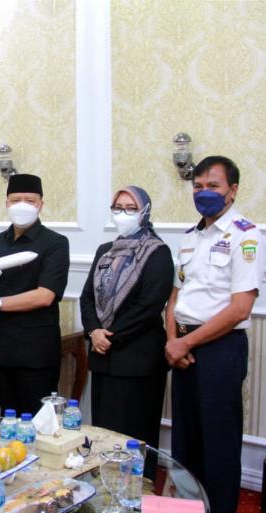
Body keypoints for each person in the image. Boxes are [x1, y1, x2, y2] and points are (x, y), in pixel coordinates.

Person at [165, 156, 266, 513]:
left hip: (220, 349)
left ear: (232, 190)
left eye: (213, 186)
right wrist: (172, 341)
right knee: (185, 440)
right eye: (198, 186)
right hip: (182, 348)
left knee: (218, 441)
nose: (204, 192)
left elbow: (240, 308)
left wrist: (185, 342)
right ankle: (186, 508)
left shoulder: (246, 235)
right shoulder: (189, 237)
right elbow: (175, 298)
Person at [79, 186, 173, 464]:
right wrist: (94, 331)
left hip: (137, 359)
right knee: (105, 434)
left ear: (145, 212)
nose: (123, 213)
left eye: (131, 208)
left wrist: (109, 336)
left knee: (135, 437)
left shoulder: (158, 252)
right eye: (118, 208)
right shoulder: (105, 251)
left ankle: (139, 488)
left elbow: (149, 305)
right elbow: (87, 297)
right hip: (103, 356)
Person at [0, 174, 69, 415]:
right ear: (6, 203)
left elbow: (45, 296)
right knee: (8, 416)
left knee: (38, 421)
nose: (22, 205)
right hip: (2, 345)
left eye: (29, 201)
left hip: (36, 349)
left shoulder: (55, 242)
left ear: (41, 205)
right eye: (15, 200)